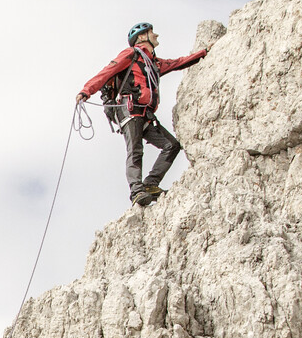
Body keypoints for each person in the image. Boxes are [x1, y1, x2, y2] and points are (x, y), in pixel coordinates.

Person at [76, 22, 208, 206]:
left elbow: (177, 63)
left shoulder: (153, 63)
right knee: (135, 150)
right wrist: (86, 90)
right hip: (129, 110)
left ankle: (151, 184)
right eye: (151, 32)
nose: (156, 35)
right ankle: (136, 191)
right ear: (141, 37)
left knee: (172, 145)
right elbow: (107, 72)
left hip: (145, 114)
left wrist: (204, 53)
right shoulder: (130, 55)